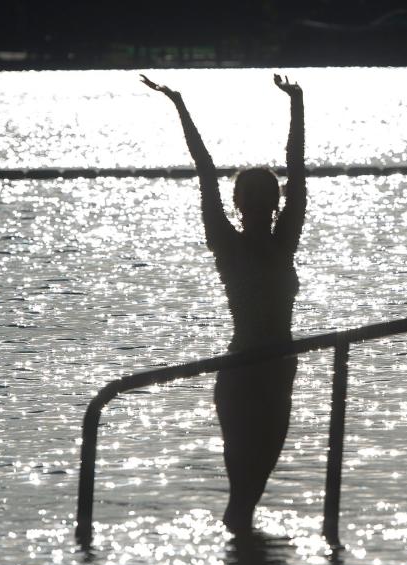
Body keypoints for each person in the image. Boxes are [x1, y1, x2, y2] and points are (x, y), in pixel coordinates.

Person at [141, 73, 306, 534]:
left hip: (277, 368)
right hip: (244, 367)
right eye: (248, 198)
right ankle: (241, 563)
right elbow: (205, 169)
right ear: (238, 203)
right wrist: (179, 105)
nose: (256, 205)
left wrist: (297, 104)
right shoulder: (225, 241)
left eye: (264, 197)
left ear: (274, 203)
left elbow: (298, 169)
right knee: (241, 490)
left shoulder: (285, 239)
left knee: (254, 486)